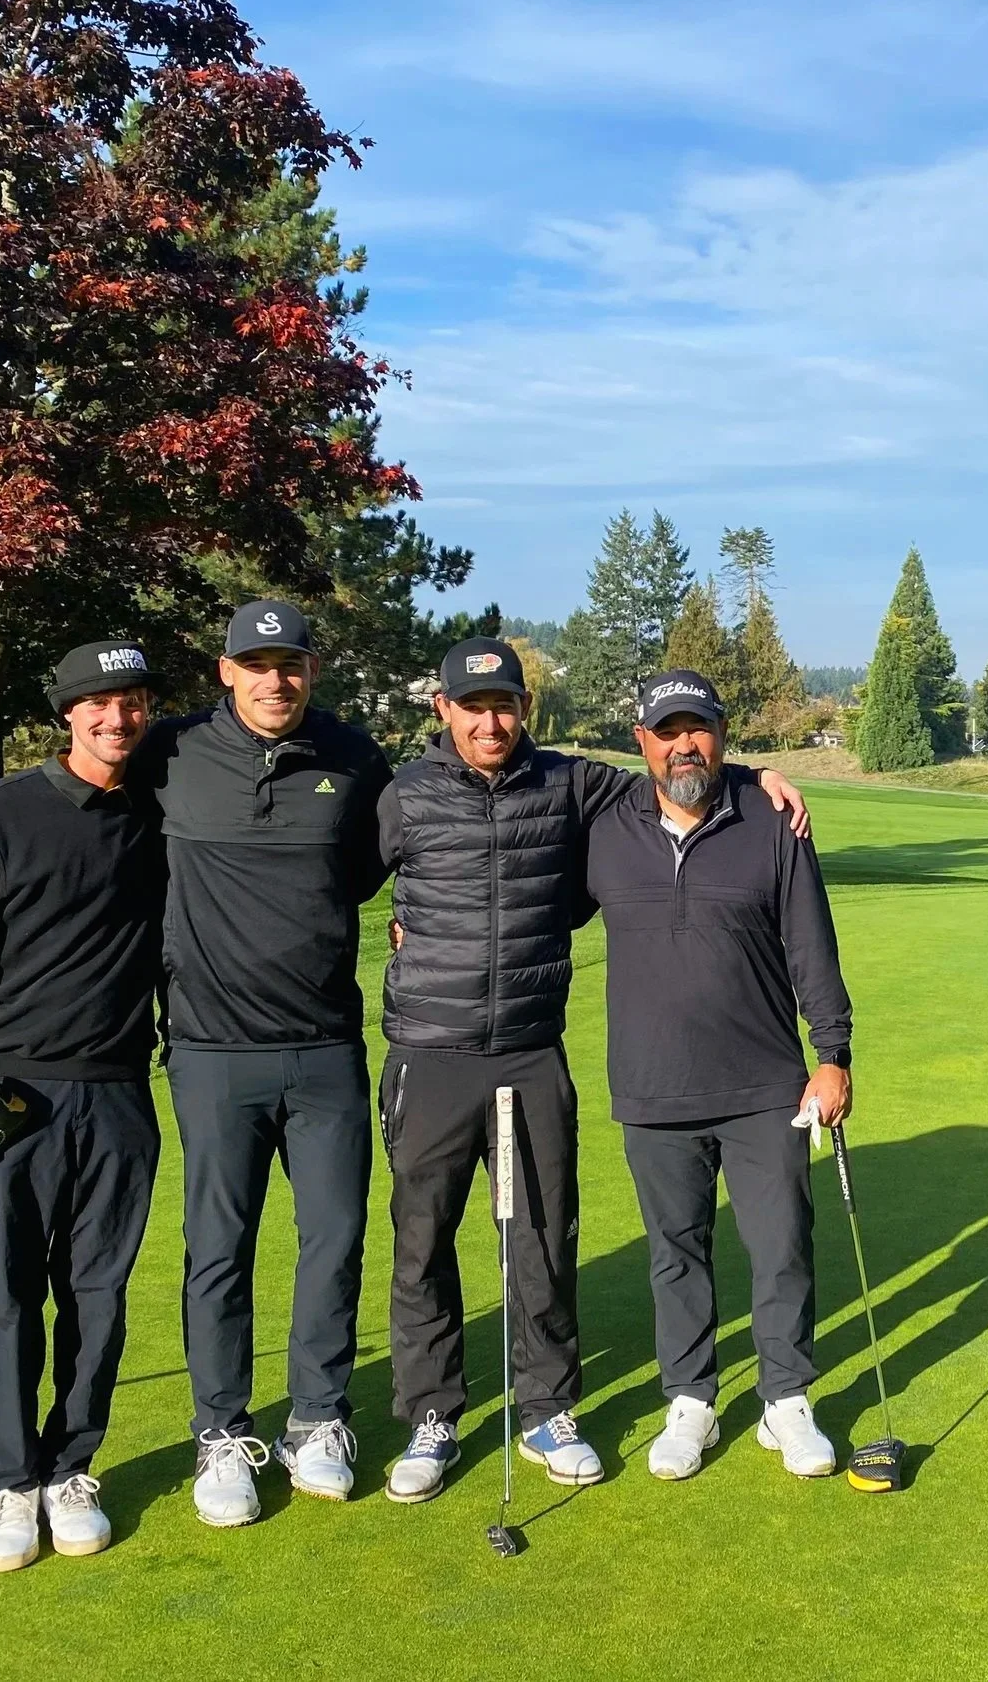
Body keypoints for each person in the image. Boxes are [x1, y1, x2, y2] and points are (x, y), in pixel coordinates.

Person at [374, 639, 807, 1502]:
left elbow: (677, 766)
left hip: (532, 1045)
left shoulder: (571, 782)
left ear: (522, 710)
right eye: (473, 706)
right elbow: (344, 883)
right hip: (429, 1047)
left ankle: (546, 1407)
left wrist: (757, 773)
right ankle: (431, 1414)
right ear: (443, 711)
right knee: (422, 1241)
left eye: (504, 705)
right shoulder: (404, 797)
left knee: (541, 1234)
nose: (490, 721)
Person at [0, 640, 167, 1572]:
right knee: (4, 1297)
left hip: (121, 1093)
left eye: (131, 701)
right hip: (9, 1097)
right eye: (95, 703)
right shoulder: (0, 812)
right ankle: (9, 1483)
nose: (115, 718)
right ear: (65, 714)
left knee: (97, 1293)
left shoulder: (159, 808)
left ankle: (71, 1467)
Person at [129, 599, 393, 1526]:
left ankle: (318, 1417)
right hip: (209, 1051)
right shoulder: (168, 750)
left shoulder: (355, 757)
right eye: (258, 663)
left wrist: (754, 773)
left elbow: (367, 871)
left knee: (333, 1238)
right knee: (219, 1248)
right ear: (225, 671)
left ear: (312, 670)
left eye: (292, 664)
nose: (276, 679)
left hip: (325, 1045)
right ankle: (221, 1432)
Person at [585, 669, 855, 1482]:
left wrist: (833, 1053)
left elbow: (812, 943)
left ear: (722, 734)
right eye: (667, 731)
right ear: (642, 741)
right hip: (652, 1085)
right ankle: (691, 1401)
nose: (683, 745)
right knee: (676, 1251)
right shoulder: (602, 825)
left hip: (765, 1083)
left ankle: (785, 1400)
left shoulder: (770, 822)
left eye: (698, 729)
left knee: (780, 1245)